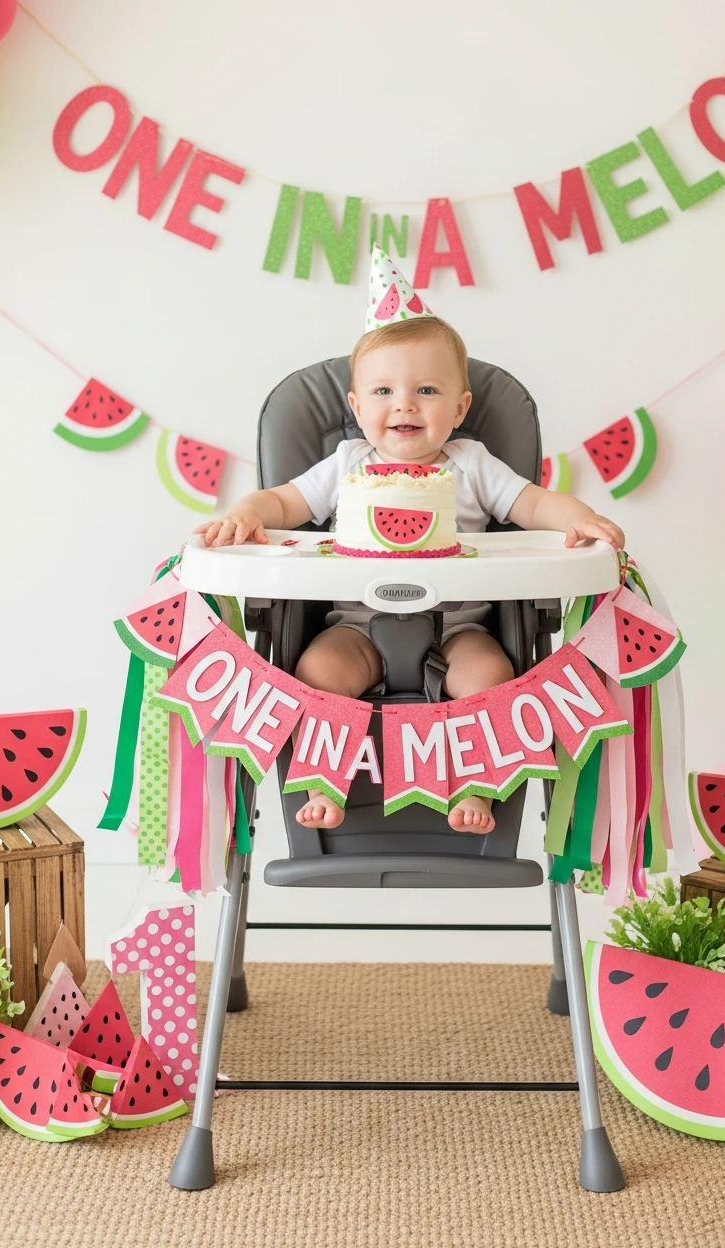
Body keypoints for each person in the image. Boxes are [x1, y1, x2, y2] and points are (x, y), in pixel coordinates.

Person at [197, 249, 624, 836]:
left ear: (460, 407)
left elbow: (533, 503)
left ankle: (475, 784)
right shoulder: (346, 461)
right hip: (353, 624)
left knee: (490, 677)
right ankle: (325, 777)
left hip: (461, 628)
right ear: (354, 406)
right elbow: (282, 503)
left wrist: (579, 516)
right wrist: (244, 512)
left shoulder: (472, 464)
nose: (403, 404)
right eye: (382, 391)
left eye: (426, 389)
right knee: (315, 669)